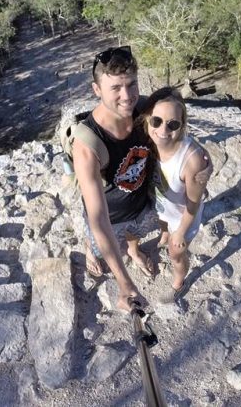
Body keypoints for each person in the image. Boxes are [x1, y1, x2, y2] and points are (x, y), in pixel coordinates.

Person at [72, 46, 157, 312]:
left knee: (135, 234)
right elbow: (98, 218)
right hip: (109, 218)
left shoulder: (144, 112)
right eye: (116, 88)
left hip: (139, 205)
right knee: (99, 247)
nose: (127, 96)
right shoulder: (87, 144)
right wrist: (125, 284)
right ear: (96, 90)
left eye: (132, 84)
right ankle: (89, 248)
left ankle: (133, 249)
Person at [139, 87, 212, 303]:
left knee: (176, 254)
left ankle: (179, 282)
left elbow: (194, 202)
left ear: (182, 125)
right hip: (163, 207)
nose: (163, 130)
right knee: (164, 226)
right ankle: (164, 235)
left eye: (172, 124)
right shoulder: (149, 141)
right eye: (157, 121)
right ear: (147, 119)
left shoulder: (191, 160)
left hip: (183, 217)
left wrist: (180, 232)